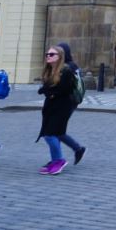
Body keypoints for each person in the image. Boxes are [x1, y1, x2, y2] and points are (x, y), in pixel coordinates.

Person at [36, 43, 85, 175]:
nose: (48, 56)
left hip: (63, 106)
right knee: (54, 133)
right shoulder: (50, 70)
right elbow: (48, 88)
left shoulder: (67, 70)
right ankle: (59, 158)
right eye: (47, 54)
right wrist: (48, 91)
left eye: (51, 54)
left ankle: (59, 160)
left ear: (60, 56)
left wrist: (49, 92)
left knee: (51, 134)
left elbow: (63, 89)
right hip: (52, 106)